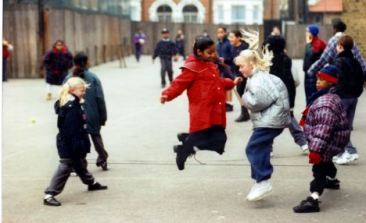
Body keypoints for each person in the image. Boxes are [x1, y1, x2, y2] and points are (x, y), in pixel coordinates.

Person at [160, 36, 242, 171]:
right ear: (199, 52)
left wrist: (232, 82)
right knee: (212, 139)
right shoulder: (192, 68)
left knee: (220, 142)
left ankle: (186, 142)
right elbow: (179, 84)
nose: (213, 55)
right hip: (203, 112)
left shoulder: (210, 65)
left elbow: (218, 83)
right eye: (209, 52)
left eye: (214, 51)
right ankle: (184, 149)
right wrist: (167, 95)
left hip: (216, 111)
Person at [235, 39, 290, 201]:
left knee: (253, 148)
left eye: (241, 66)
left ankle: (263, 180)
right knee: (261, 147)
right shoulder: (257, 76)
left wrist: (243, 96)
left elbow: (257, 101)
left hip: (271, 120)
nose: (240, 70)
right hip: (272, 118)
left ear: (251, 64)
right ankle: (259, 180)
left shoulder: (258, 80)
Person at [43, 77, 108, 207]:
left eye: (84, 90)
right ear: (72, 90)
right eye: (81, 90)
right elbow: (71, 129)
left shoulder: (73, 101)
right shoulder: (72, 106)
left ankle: (91, 183)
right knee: (66, 165)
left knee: (79, 163)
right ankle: (49, 194)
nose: (84, 92)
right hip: (70, 142)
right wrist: (77, 145)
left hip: (73, 141)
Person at [294, 65, 350, 213]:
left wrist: (316, 150)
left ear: (330, 82)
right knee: (326, 163)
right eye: (318, 78)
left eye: (322, 79)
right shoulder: (327, 96)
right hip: (335, 138)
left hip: (327, 141)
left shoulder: (325, 103)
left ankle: (314, 199)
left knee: (318, 169)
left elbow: (323, 129)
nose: (318, 82)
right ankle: (332, 179)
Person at [65, 52, 109, 170]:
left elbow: (63, 98)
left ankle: (81, 163)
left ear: (74, 62)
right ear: (86, 62)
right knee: (96, 136)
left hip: (74, 115)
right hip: (92, 114)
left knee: (78, 139)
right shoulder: (93, 78)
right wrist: (103, 117)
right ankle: (102, 157)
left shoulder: (68, 79)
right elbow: (100, 98)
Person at [265, 35, 309, 154]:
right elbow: (296, 79)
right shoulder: (287, 59)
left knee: (269, 122)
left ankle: (268, 148)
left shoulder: (267, 61)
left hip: (271, 95)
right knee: (289, 119)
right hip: (287, 94)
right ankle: (303, 143)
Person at [332, 35, 364, 165]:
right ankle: (346, 151)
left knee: (339, 127)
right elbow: (362, 77)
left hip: (343, 97)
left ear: (340, 46)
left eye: (337, 45)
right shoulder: (355, 61)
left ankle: (347, 152)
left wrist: (336, 92)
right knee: (346, 126)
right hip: (353, 97)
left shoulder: (339, 62)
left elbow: (337, 80)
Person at [228, 30, 250, 121]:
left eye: (232, 37)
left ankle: (246, 113)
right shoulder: (232, 48)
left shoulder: (245, 47)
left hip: (244, 75)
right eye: (230, 37)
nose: (230, 39)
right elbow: (232, 61)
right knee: (240, 94)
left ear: (238, 38)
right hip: (236, 74)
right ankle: (244, 113)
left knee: (244, 94)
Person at [303, 24, 326, 103]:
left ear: (312, 33)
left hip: (313, 73)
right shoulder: (311, 42)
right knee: (307, 94)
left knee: (312, 94)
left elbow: (311, 55)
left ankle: (312, 112)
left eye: (307, 31)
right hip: (307, 72)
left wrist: (308, 44)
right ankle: (308, 112)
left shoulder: (318, 43)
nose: (306, 33)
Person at [217, 27, 235, 112]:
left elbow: (232, 56)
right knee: (222, 85)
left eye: (221, 32)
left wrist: (225, 60)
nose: (220, 34)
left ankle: (229, 103)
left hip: (228, 67)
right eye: (218, 32)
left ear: (225, 33)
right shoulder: (218, 44)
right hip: (220, 67)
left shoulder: (228, 43)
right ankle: (224, 102)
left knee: (228, 85)